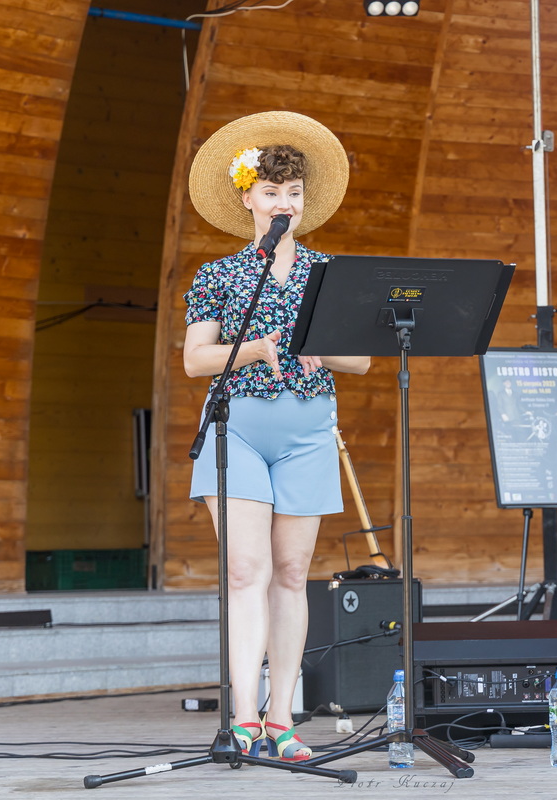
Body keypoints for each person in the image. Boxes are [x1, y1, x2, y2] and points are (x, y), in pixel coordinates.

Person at [183, 111, 370, 762]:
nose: (284, 203)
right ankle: (240, 717)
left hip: (309, 430)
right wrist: (258, 347)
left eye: (293, 194)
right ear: (248, 199)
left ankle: (280, 717)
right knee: (246, 571)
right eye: (272, 193)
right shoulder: (221, 276)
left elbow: (363, 359)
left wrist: (325, 347)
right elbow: (195, 360)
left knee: (292, 573)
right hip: (239, 427)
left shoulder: (329, 271)